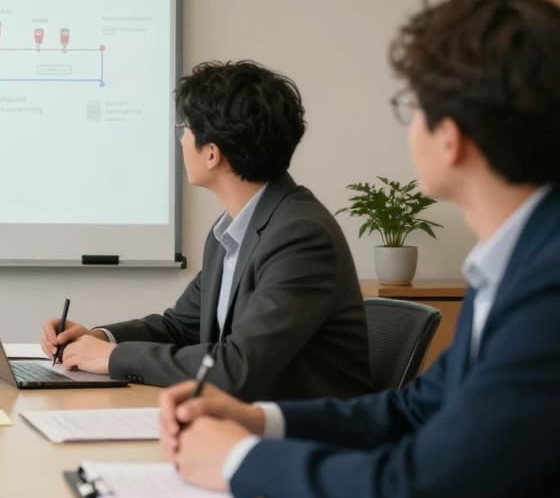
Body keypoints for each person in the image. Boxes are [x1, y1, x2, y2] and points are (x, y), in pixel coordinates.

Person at [162, 0, 560, 498]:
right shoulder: (519, 260)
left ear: (451, 136)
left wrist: (237, 459)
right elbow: (413, 410)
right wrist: (255, 420)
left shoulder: (549, 285)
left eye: (412, 107)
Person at [41, 61, 372, 400]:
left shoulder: (300, 236)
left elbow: (236, 367)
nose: (181, 138)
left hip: (302, 437)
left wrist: (113, 359)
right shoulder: (229, 231)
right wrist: (101, 338)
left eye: (184, 128)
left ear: (212, 153)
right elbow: (180, 327)